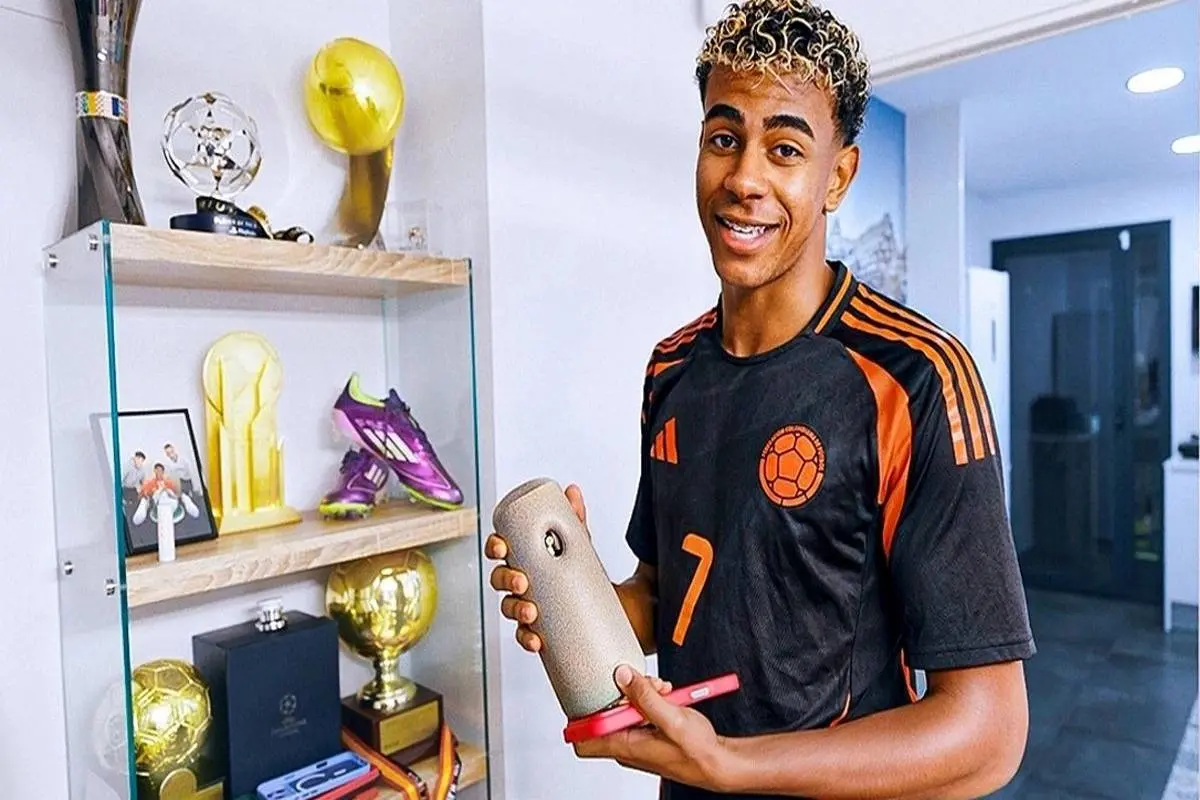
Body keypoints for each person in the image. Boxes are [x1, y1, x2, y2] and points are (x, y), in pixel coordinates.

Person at [485, 1, 1035, 797]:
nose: (744, 179)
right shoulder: (671, 369)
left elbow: (989, 734)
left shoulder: (917, 377)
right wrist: (576, 604)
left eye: (784, 148)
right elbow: (670, 596)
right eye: (723, 139)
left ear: (837, 176)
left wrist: (734, 766)